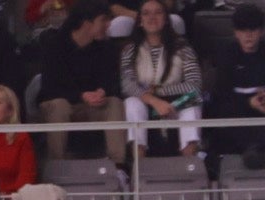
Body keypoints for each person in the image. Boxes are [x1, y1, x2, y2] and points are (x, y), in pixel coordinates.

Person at [37, 1, 126, 164]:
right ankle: (57, 165)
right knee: (59, 106)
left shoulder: (107, 48)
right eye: (104, 20)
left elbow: (112, 81)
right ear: (87, 23)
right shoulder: (55, 45)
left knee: (114, 103)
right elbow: (50, 87)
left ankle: (118, 166)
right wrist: (81, 95)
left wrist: (102, 91)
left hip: (92, 105)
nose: (108, 25)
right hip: (62, 103)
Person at [120, 0, 202, 159]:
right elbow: (127, 85)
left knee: (193, 104)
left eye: (158, 12)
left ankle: (189, 165)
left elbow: (194, 85)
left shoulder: (183, 48)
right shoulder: (130, 49)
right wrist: (154, 100)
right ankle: (139, 166)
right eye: (146, 13)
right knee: (131, 103)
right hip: (146, 103)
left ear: (166, 19)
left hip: (176, 102)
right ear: (140, 21)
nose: (152, 17)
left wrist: (159, 91)